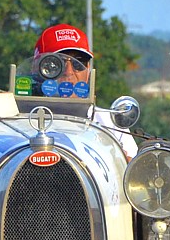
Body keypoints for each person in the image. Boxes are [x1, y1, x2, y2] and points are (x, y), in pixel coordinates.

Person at [34, 24, 139, 159]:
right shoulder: (19, 120)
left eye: (79, 62)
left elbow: (132, 173)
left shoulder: (110, 123)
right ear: (36, 68)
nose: (69, 71)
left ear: (88, 69)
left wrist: (123, 162)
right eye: (57, 63)